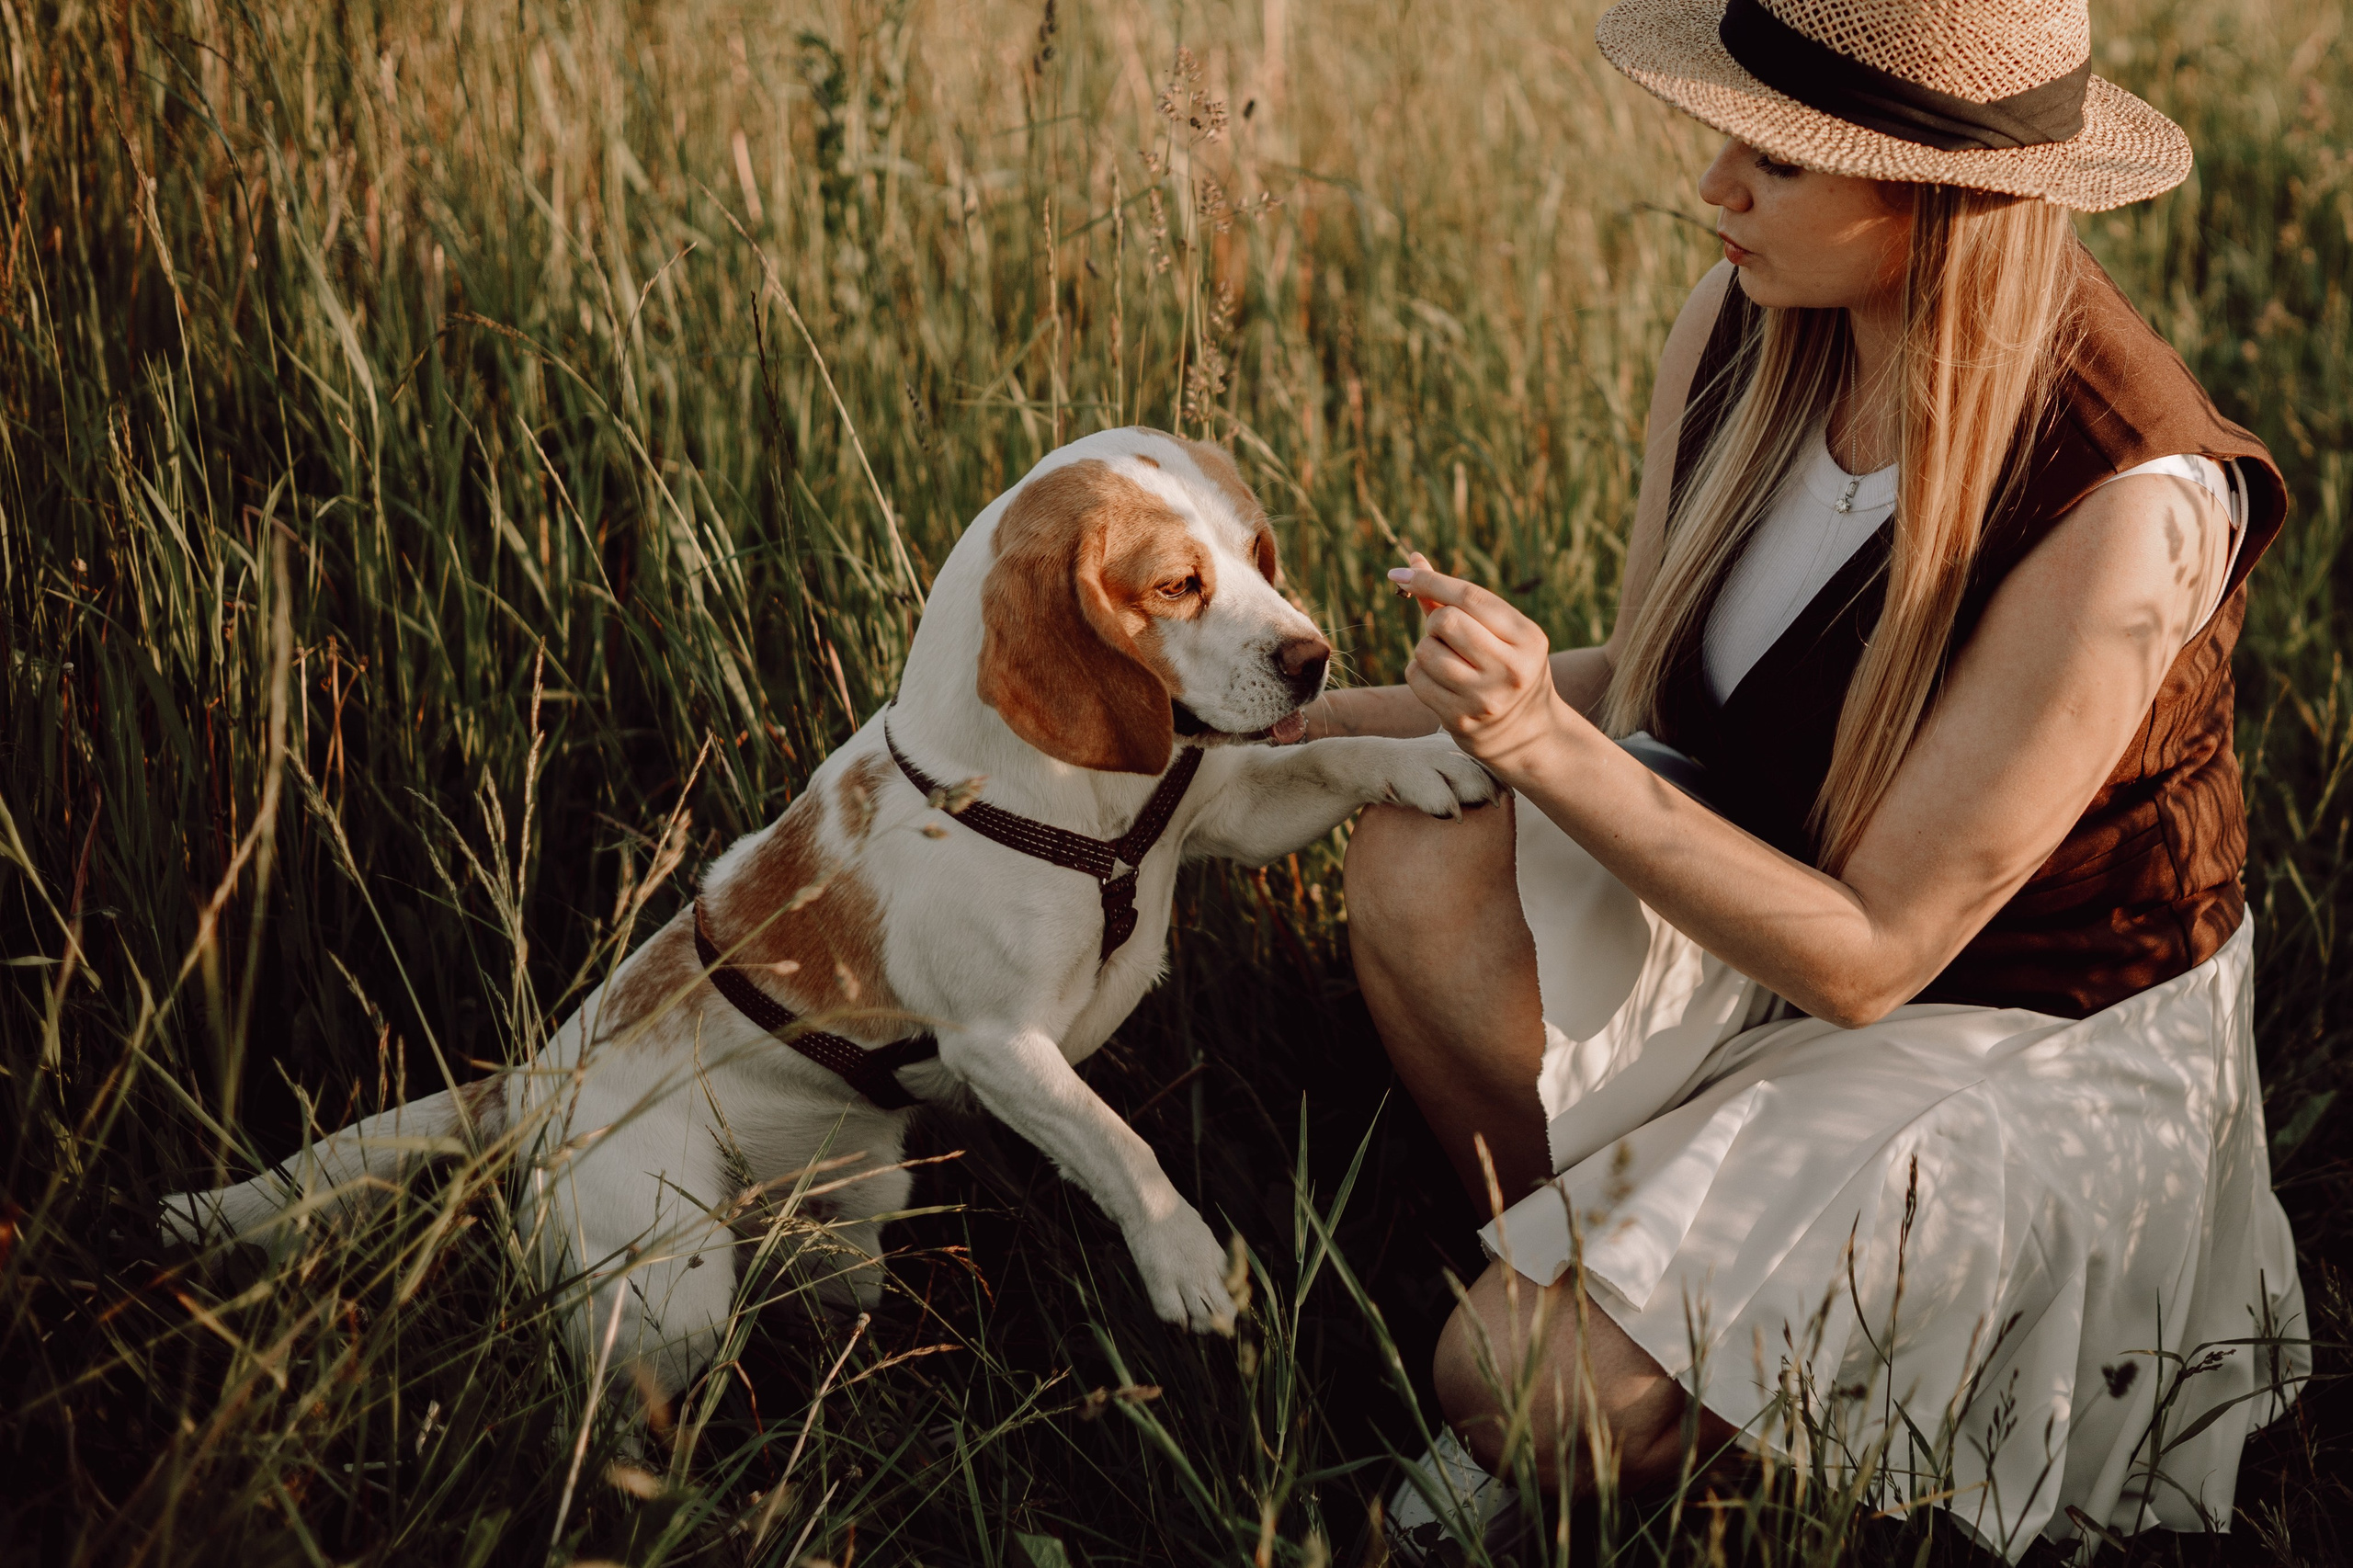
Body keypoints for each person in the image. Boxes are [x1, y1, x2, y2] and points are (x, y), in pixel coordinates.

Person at [1306, 0, 2309, 1554]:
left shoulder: (2126, 499)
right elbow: (1656, 684)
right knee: (1416, 844)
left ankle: (1646, 1393)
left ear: (1937, 191)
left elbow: (1873, 955)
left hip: (2019, 1023)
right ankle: (1600, 1276)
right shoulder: (1746, 322)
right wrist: (1315, 729)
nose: (1714, 190)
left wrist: (1541, 748)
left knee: (1516, 1381)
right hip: (1772, 855)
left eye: (1773, 160)